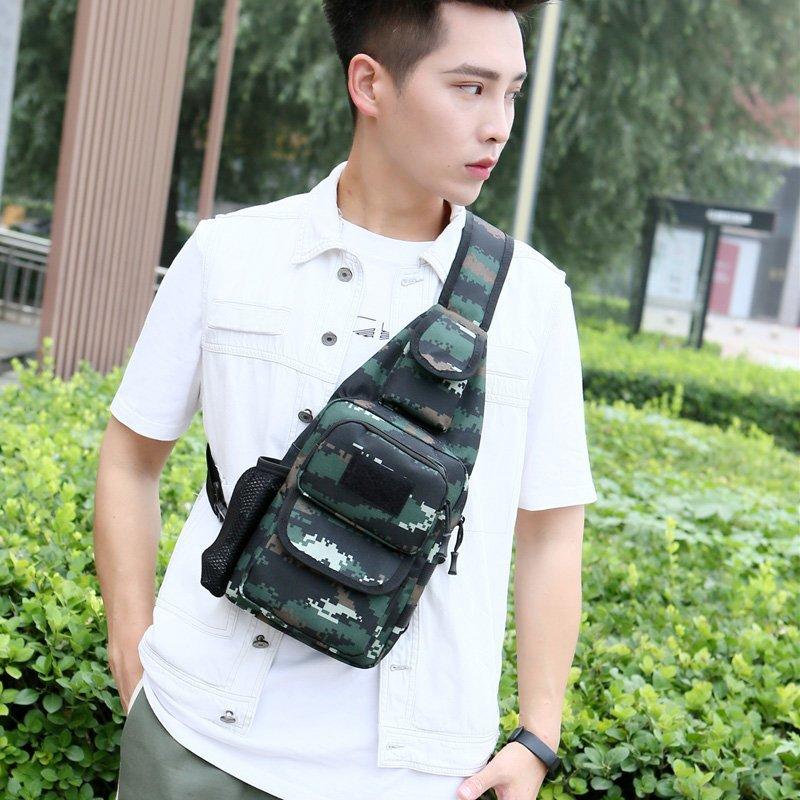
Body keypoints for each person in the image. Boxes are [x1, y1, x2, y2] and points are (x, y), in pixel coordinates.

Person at [93, 1, 598, 799]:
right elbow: (130, 455)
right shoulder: (231, 255)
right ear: (369, 83)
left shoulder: (532, 301)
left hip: (417, 773)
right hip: (196, 738)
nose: (498, 125)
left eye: (511, 93)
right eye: (470, 88)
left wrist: (538, 736)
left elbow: (552, 530)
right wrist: (132, 650)